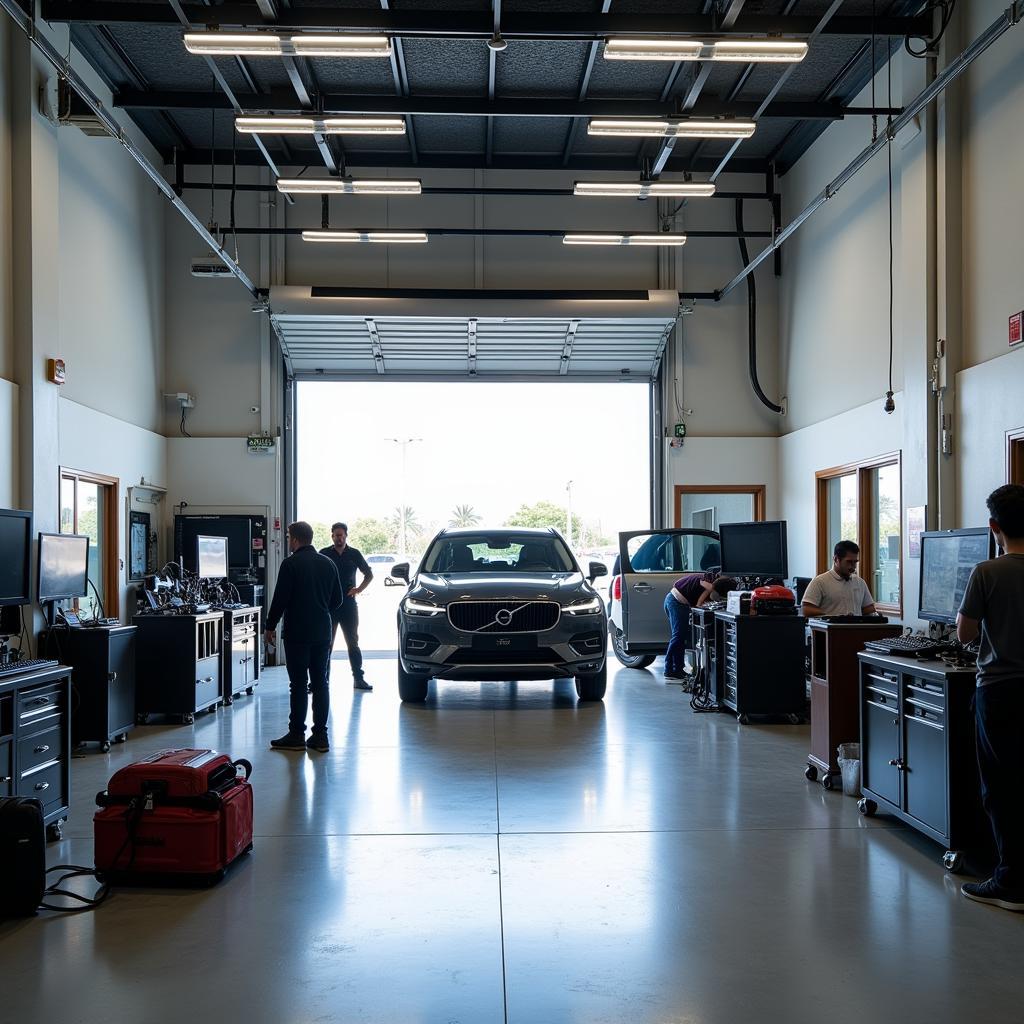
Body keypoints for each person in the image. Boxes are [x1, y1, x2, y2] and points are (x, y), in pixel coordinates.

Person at [956, 484, 1024, 912]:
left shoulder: (987, 572)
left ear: (994, 526)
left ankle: (1010, 883)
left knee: (1001, 787)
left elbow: (964, 632)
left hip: (999, 692)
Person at [264, 521, 343, 753]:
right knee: (320, 683)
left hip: (297, 633)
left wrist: (269, 627)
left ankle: (297, 734)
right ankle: (320, 736)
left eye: (289, 537)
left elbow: (280, 599)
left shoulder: (290, 564)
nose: (288, 541)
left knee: (298, 684)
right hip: (322, 632)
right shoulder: (328, 563)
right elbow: (337, 599)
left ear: (295, 539)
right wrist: (320, 609)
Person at [320, 522, 374, 691]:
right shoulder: (324, 554)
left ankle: (359, 679)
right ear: (332, 536)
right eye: (336, 535)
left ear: (346, 536)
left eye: (342, 535)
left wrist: (359, 589)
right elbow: (316, 576)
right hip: (329, 606)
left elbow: (369, 574)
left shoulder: (354, 554)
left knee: (353, 643)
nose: (339, 538)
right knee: (326, 644)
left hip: (349, 605)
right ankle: (321, 680)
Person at [664, 571, 738, 680]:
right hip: (676, 602)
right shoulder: (709, 585)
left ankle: (677, 669)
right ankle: (669, 669)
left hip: (678, 602)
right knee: (678, 636)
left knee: (681, 637)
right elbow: (699, 605)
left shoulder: (711, 579)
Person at [801, 540, 877, 617]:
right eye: (849, 562)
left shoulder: (860, 582)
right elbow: (806, 609)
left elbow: (869, 609)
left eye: (855, 562)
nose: (853, 567)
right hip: (832, 628)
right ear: (836, 559)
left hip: (856, 628)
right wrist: (833, 615)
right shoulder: (819, 582)